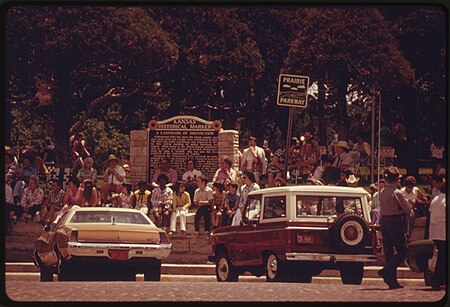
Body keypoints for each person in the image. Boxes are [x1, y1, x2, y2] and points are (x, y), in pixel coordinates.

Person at [377, 166, 412, 289]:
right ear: (396, 180)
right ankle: (387, 270)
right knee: (403, 251)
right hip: (394, 221)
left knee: (389, 252)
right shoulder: (397, 193)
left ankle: (391, 280)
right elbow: (408, 210)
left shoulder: (382, 192)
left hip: (385, 221)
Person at [428, 184, 446, 291]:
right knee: (442, 258)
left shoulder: (435, 199)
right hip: (442, 232)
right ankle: (438, 280)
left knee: (440, 257)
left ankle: (437, 280)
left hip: (435, 232)